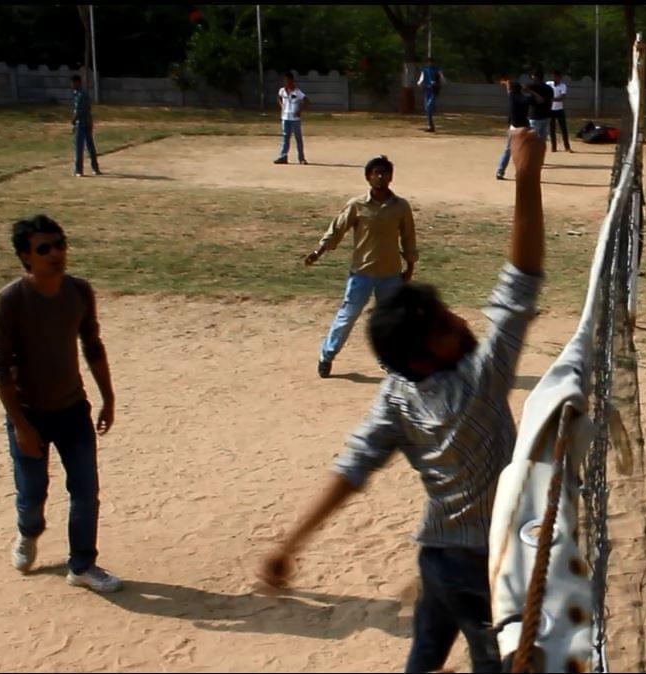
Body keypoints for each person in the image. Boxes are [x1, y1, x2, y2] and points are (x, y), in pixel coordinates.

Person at [258, 128, 548, 674]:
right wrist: (527, 179)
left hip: (435, 559)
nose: (458, 321)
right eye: (442, 326)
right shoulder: (482, 381)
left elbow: (352, 469)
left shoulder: (395, 396)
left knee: (424, 657)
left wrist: (289, 542)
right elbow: (521, 280)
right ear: (421, 359)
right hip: (482, 569)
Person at [0, 214, 121, 593]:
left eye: (60, 244)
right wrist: (21, 426)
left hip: (73, 409)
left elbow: (92, 345)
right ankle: (27, 532)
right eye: (44, 248)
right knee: (32, 494)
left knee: (85, 491)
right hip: (29, 414)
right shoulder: (11, 301)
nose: (56, 253)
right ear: (25, 257)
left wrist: (108, 399)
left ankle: (82, 565)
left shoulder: (78, 291)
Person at [305, 155, 418, 377]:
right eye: (376, 172)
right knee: (347, 315)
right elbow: (337, 228)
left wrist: (410, 267)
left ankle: (387, 360)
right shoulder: (357, 205)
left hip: (390, 274)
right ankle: (327, 355)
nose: (380, 176)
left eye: (384, 172)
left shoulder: (400, 207)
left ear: (391, 177)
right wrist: (318, 251)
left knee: (389, 321)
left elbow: (408, 237)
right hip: (362, 273)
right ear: (368, 177)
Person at [496, 76, 532, 180]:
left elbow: (509, 87)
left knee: (508, 150)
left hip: (514, 127)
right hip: (525, 127)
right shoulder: (526, 98)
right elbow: (539, 99)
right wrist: (529, 90)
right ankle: (521, 172)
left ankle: (500, 171)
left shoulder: (512, 97)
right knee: (524, 151)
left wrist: (504, 82)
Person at [274, 72, 309, 165]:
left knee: (298, 139)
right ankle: (283, 157)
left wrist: (299, 111)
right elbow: (278, 97)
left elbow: (306, 100)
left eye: (288, 80)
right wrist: (282, 106)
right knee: (285, 138)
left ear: (292, 80)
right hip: (285, 118)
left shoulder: (297, 92)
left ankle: (301, 158)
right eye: (285, 81)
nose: (286, 82)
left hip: (295, 119)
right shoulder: (282, 90)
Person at [70, 74, 101, 177]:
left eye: (74, 83)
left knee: (80, 147)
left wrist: (73, 121)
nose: (73, 85)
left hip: (82, 123)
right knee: (90, 146)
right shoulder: (80, 93)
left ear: (78, 82)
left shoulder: (81, 95)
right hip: (87, 122)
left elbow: (78, 110)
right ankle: (95, 168)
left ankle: (79, 170)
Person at [525, 65, 554, 143]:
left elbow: (523, 87)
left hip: (535, 117)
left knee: (531, 141)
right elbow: (551, 102)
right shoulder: (549, 88)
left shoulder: (533, 87)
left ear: (535, 77)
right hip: (546, 117)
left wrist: (535, 94)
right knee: (541, 143)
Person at [417, 57, 446, 133]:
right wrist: (419, 83)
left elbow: (442, 78)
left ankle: (431, 125)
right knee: (427, 109)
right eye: (428, 62)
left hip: (434, 90)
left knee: (429, 106)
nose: (429, 63)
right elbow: (421, 78)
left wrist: (438, 83)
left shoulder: (437, 70)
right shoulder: (424, 70)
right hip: (427, 90)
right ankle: (431, 126)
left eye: (431, 62)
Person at [547, 70, 573, 153]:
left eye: (556, 77)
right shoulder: (549, 84)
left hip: (559, 110)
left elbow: (562, 97)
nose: (554, 78)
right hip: (551, 110)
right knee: (552, 129)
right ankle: (553, 147)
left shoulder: (563, 86)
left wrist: (552, 99)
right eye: (553, 76)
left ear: (559, 78)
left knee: (563, 129)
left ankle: (567, 147)